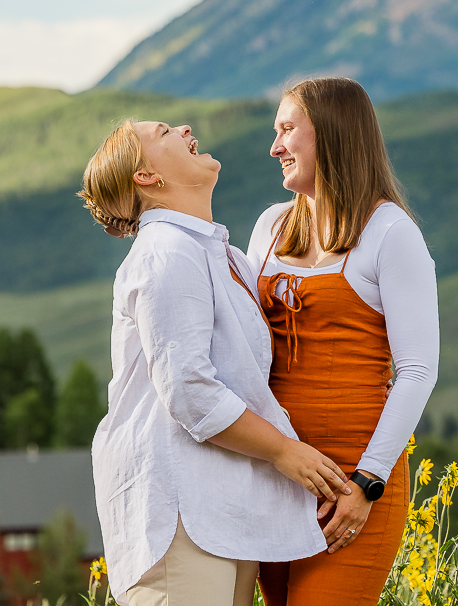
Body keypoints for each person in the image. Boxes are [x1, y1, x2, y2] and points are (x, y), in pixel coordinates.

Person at [79, 119, 350, 606]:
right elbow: (189, 389)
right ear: (146, 176)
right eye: (163, 133)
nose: (183, 128)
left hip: (221, 508)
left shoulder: (223, 255)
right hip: (178, 512)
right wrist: (287, 452)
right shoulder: (166, 251)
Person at [247, 77, 439, 606]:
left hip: (351, 489)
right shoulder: (269, 226)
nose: (275, 147)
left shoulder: (390, 232)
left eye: (287, 129)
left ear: (330, 135)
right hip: (275, 477)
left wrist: (367, 483)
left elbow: (418, 371)